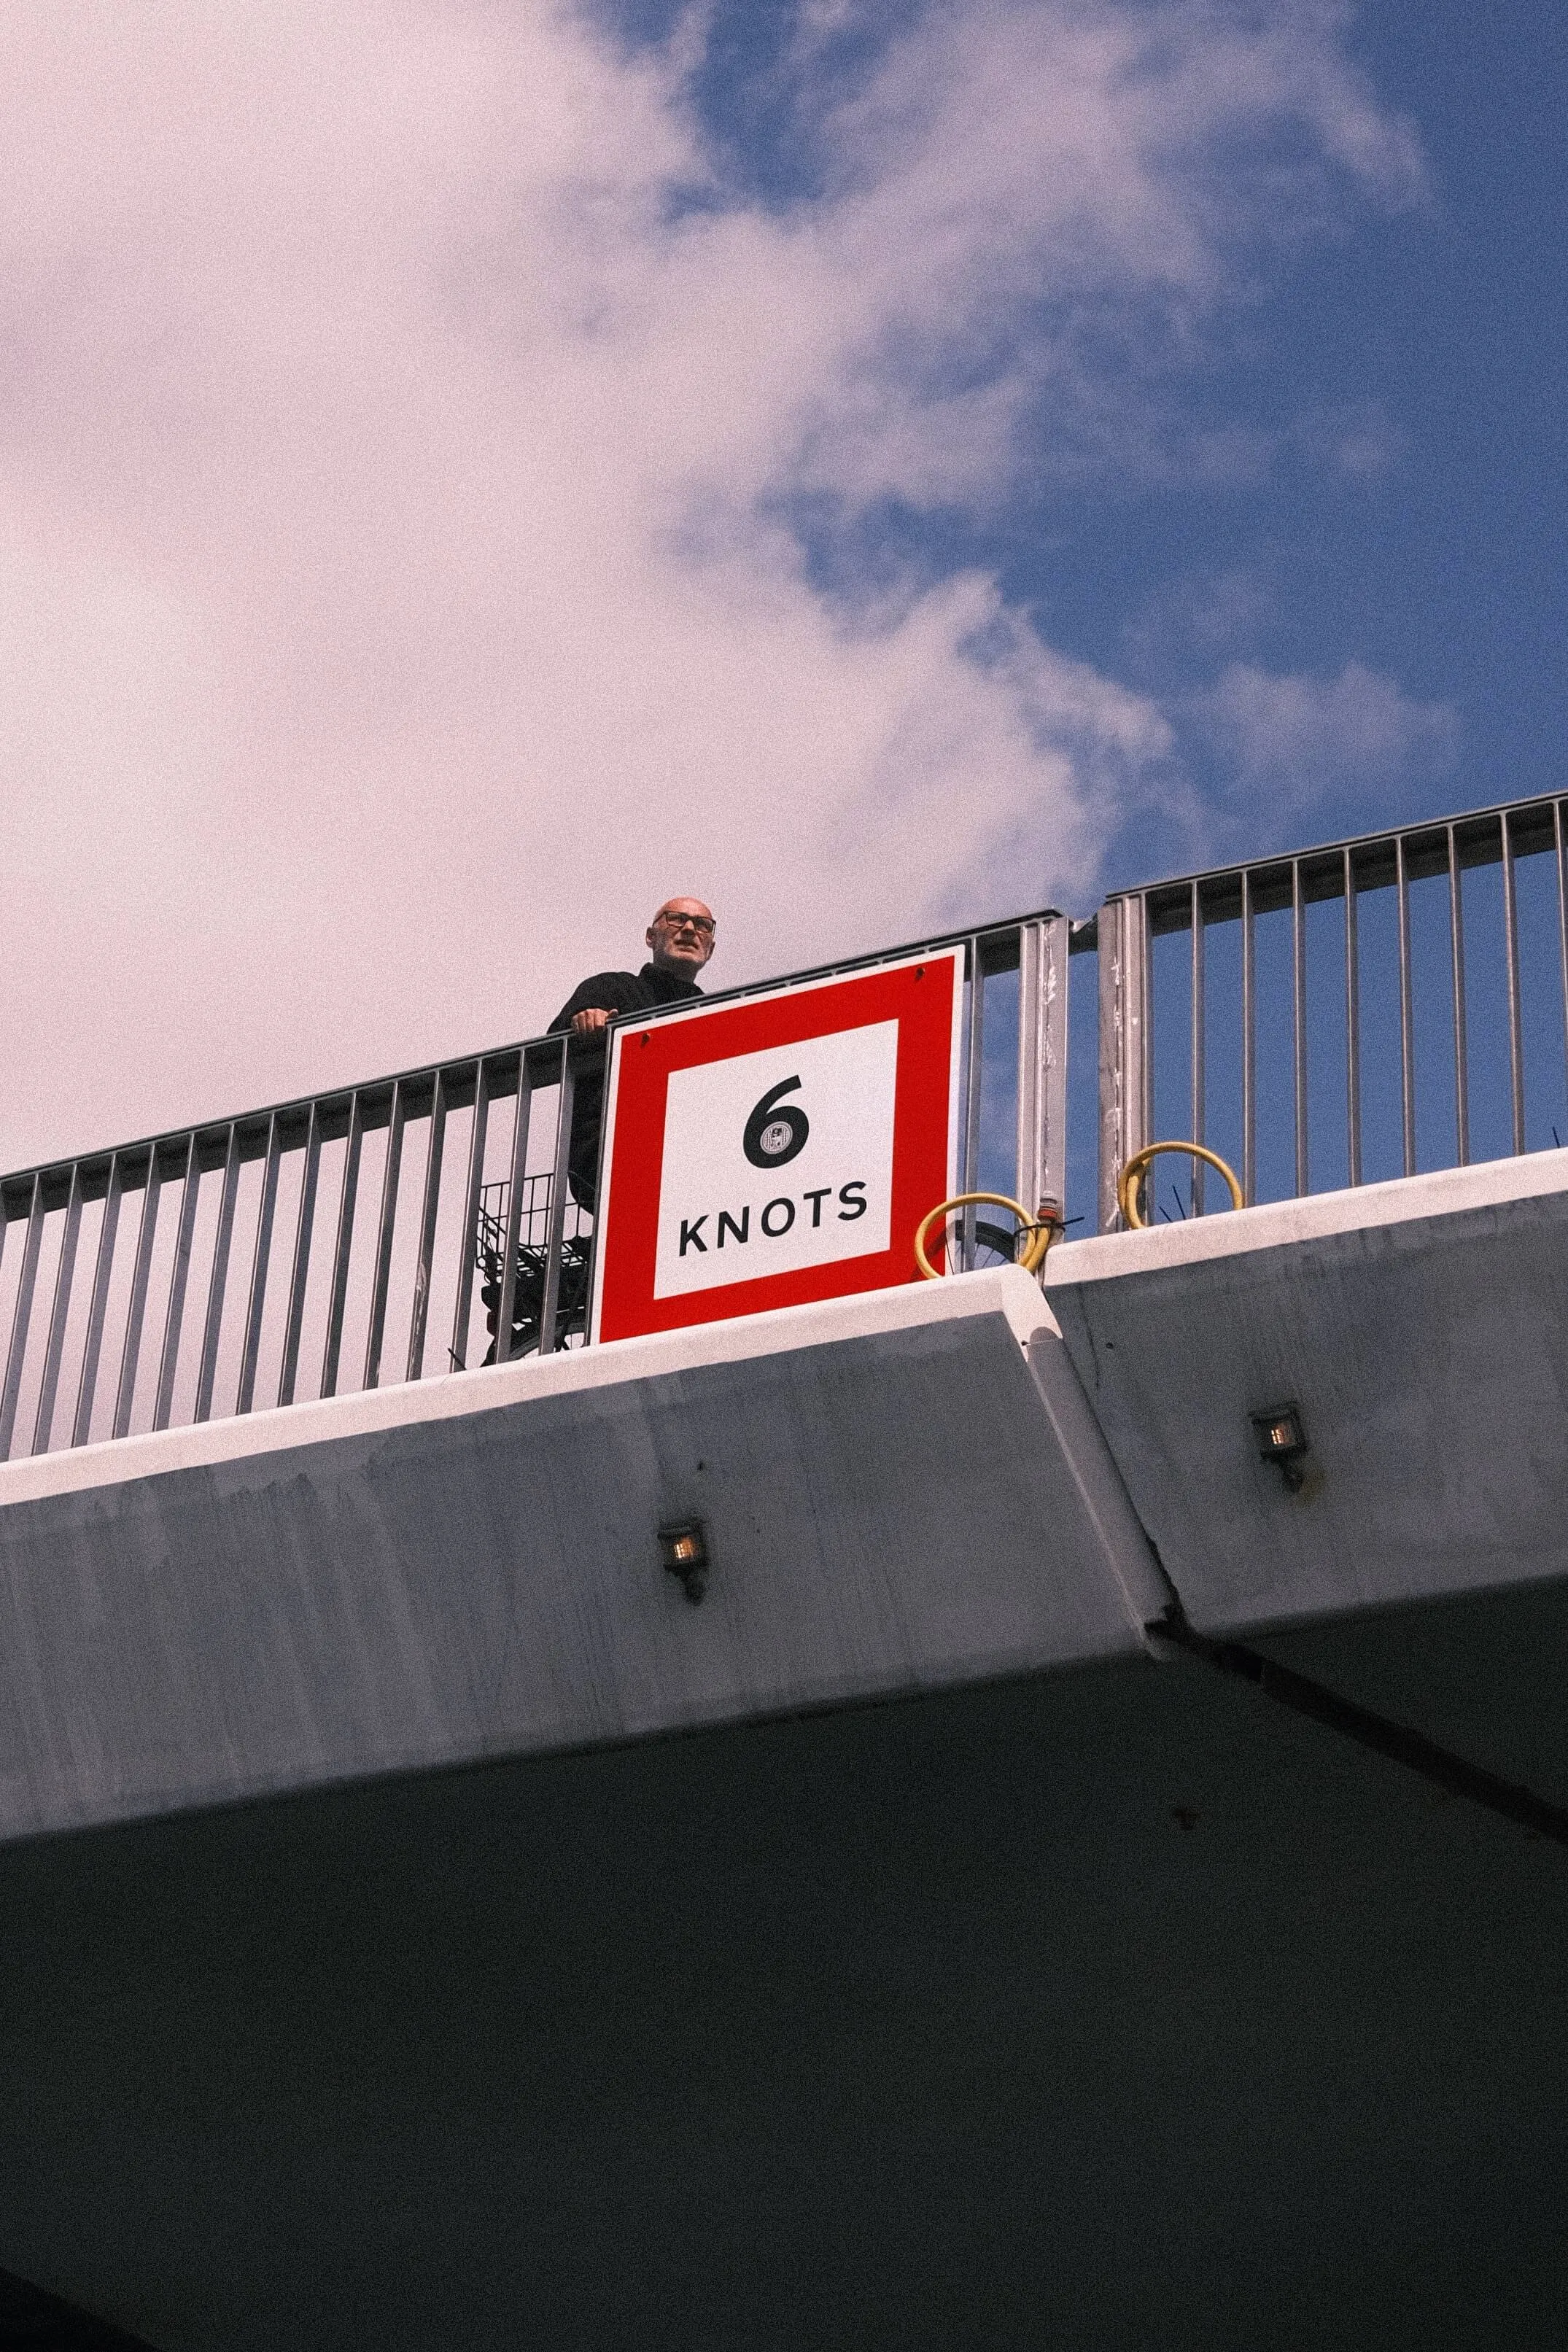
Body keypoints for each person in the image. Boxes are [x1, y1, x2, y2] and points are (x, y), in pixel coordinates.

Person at [548, 897, 717, 1208]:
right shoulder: (611, 989)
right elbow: (551, 1052)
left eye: (702, 925)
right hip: (608, 1157)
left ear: (710, 949)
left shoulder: (714, 1016)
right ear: (651, 936)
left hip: (689, 1162)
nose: (690, 929)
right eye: (676, 919)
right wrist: (584, 1023)